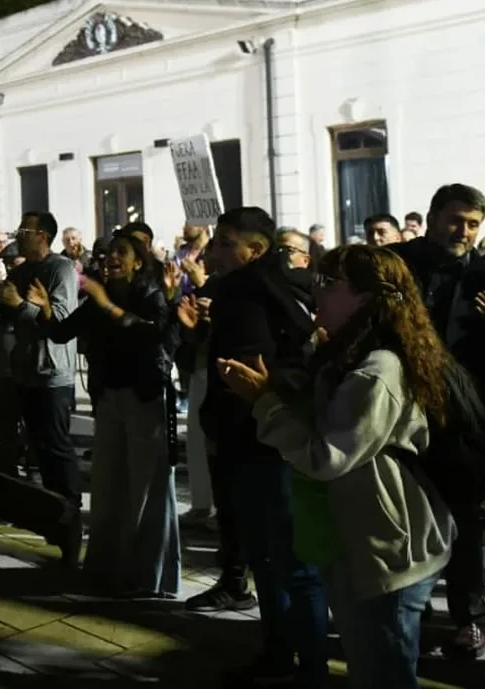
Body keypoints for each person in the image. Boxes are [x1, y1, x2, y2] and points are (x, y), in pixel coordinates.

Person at [218, 245, 455, 689]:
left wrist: (264, 403)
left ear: (365, 298)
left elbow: (327, 458)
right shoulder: (347, 353)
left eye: (329, 285)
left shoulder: (376, 371)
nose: (315, 292)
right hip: (358, 537)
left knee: (381, 671)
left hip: (386, 548)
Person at [195, 206, 327, 684]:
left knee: (286, 564)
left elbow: (248, 369)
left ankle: (301, 665)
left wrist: (232, 411)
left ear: (257, 249)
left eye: (228, 243)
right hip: (268, 438)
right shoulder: (280, 286)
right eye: (217, 242)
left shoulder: (245, 292)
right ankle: (286, 657)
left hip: (260, 442)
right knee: (276, 561)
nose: (216, 252)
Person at [27, 233, 184, 597]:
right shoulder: (98, 296)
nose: (111, 258)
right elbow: (63, 332)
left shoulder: (149, 293)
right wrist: (43, 307)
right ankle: (107, 565)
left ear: (138, 262)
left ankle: (148, 575)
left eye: (121, 253)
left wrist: (107, 305)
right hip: (109, 398)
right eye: (108, 253)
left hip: (144, 396)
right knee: (108, 482)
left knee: (146, 487)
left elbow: (155, 335)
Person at [391, 184, 485, 659]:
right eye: (456, 220)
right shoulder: (396, 265)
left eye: (473, 224)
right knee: (403, 520)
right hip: (398, 409)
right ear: (434, 216)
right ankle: (408, 617)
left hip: (459, 420)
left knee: (464, 522)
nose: (463, 231)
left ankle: (470, 619)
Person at [0, 210, 82, 562]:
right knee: (38, 450)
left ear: (44, 235)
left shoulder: (59, 269)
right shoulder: (19, 271)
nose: (20, 234)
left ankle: (72, 523)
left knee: (57, 451)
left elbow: (61, 322)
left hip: (52, 374)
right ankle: (54, 524)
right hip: (24, 373)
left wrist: (22, 307)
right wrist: (1, 306)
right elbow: (10, 311)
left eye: (26, 229)